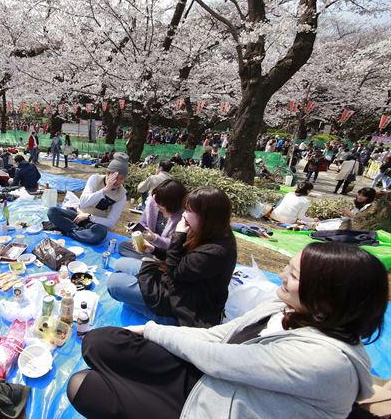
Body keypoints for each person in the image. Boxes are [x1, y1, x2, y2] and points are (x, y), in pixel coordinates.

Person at [68, 242, 388, 419]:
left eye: (293, 273)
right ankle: (131, 382)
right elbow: (220, 336)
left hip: (213, 406)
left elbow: (220, 356)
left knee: (81, 385)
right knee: (100, 341)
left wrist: (153, 329)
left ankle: (131, 388)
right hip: (212, 378)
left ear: (327, 295)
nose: (282, 274)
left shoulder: (327, 362)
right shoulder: (282, 308)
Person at [108, 187, 237, 325]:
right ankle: (141, 299)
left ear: (206, 216)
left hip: (184, 303)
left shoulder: (216, 252)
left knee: (113, 283)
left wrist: (178, 235)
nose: (184, 215)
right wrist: (154, 250)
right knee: (120, 264)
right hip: (176, 283)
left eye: (188, 211)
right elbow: (181, 260)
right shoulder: (208, 231)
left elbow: (175, 272)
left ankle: (165, 320)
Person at [47, 153, 129, 245]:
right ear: (108, 173)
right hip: (77, 215)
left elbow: (111, 222)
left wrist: (89, 216)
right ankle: (80, 232)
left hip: (95, 224)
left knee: (100, 234)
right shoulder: (95, 179)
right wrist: (104, 191)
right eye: (115, 177)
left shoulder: (121, 195)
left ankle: (68, 231)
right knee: (52, 212)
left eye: (121, 179)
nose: (117, 181)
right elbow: (83, 203)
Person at [119, 179, 187, 260]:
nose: (157, 205)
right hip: (149, 246)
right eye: (157, 202)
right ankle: (151, 261)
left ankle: (153, 262)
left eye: (161, 204)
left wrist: (154, 238)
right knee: (123, 246)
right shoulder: (153, 203)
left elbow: (172, 244)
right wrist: (137, 229)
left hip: (166, 252)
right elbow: (143, 222)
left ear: (173, 204)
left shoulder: (181, 218)